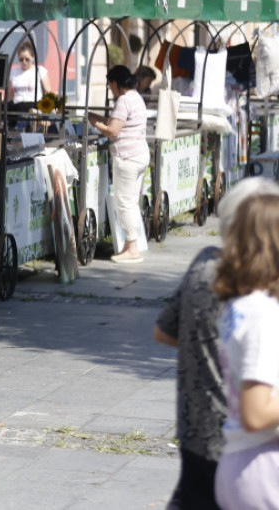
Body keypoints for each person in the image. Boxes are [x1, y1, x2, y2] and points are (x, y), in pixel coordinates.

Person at [153, 177, 279, 510]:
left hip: (197, 424)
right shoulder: (252, 290)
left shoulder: (206, 266)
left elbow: (163, 331)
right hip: (247, 439)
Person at [212, 191, 279, 509]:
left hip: (240, 461)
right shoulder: (263, 314)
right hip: (263, 465)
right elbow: (256, 414)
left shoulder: (240, 307)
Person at [88, 65, 149, 264]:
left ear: (115, 83)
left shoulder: (123, 100)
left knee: (124, 202)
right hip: (139, 154)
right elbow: (119, 122)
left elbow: (114, 131)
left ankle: (132, 247)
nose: (110, 89)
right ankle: (131, 246)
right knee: (131, 201)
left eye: (110, 85)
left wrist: (94, 124)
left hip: (127, 157)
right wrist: (99, 118)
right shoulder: (136, 97)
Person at [6, 42, 51, 112]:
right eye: (21, 59)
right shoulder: (13, 72)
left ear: (33, 58)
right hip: (17, 107)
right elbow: (10, 95)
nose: (24, 62)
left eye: (27, 59)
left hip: (34, 107)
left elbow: (48, 92)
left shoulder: (40, 71)